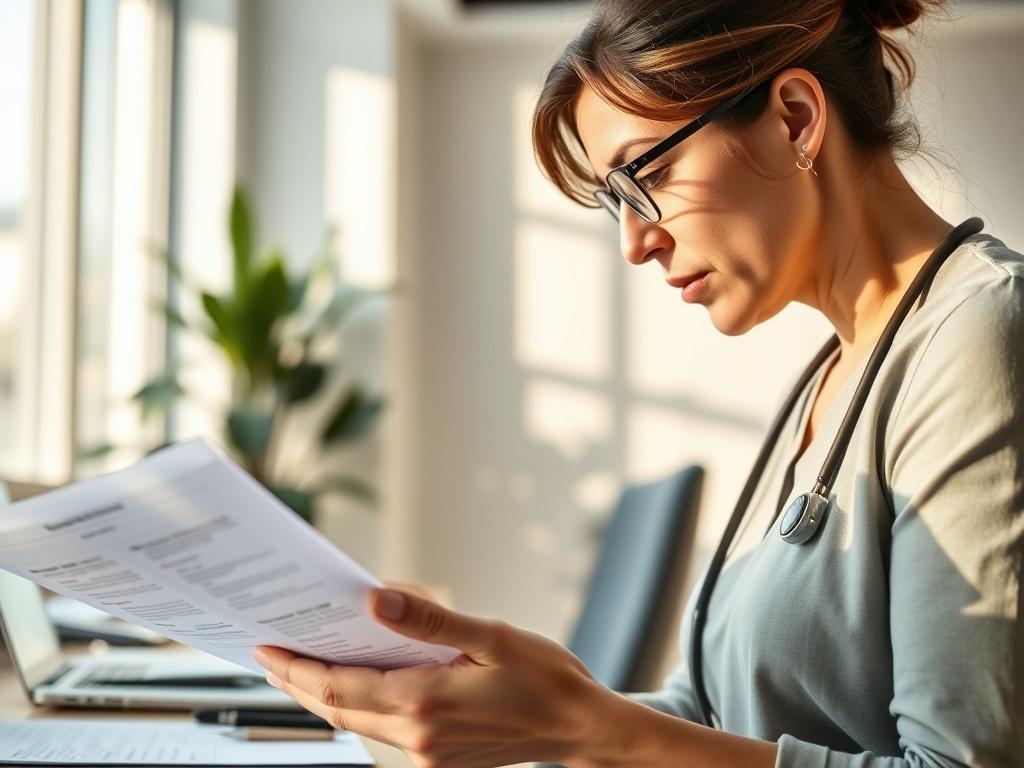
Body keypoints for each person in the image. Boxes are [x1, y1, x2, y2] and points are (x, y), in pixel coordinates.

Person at [253, 0, 1024, 765]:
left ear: (793, 118)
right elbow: (704, 712)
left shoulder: (980, 335)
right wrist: (522, 701)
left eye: (647, 172)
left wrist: (584, 726)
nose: (634, 242)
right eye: (614, 201)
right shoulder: (830, 377)